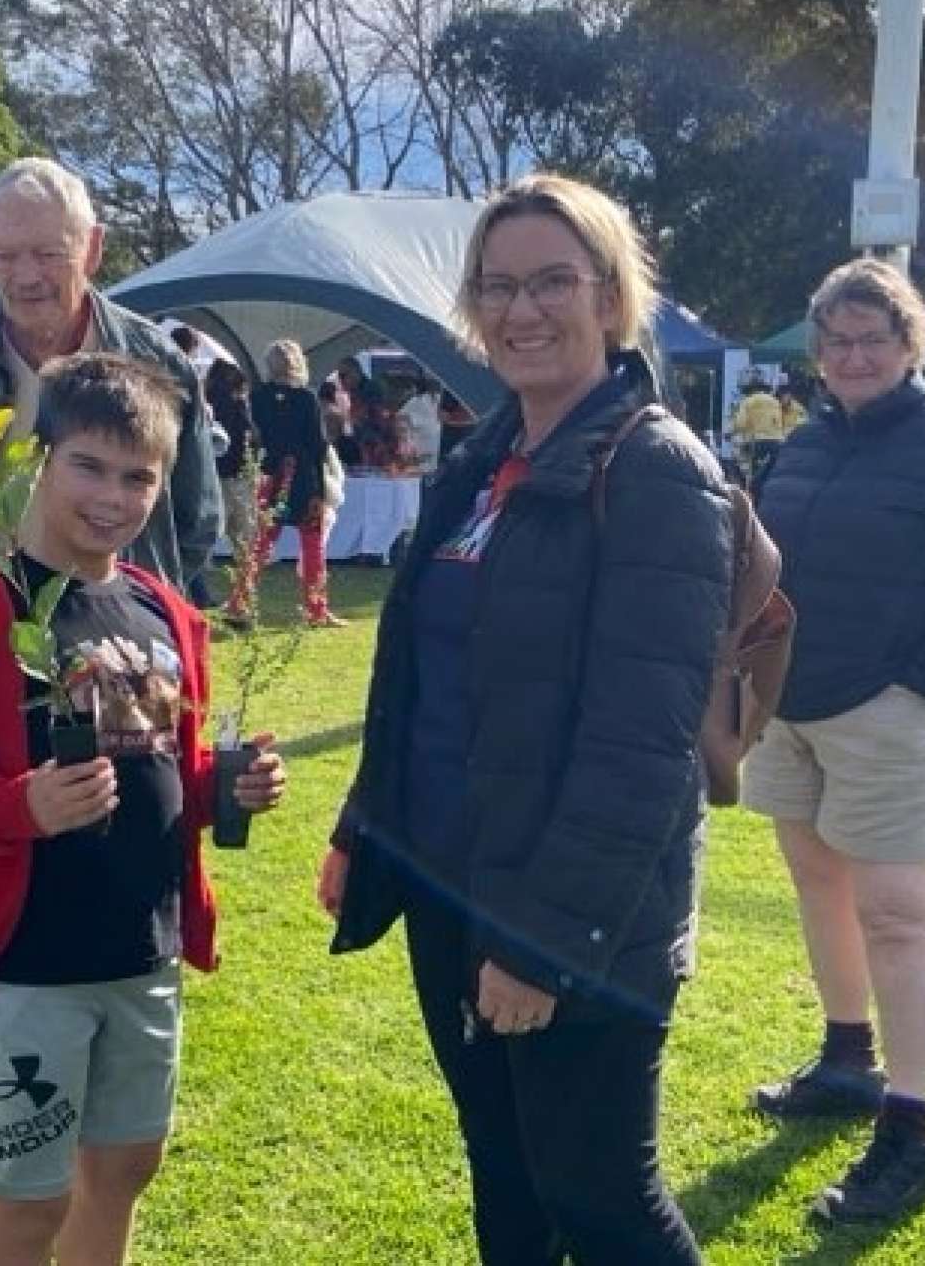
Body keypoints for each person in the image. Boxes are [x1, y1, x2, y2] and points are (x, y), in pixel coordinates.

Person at [319, 174, 735, 1264]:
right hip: (454, 886)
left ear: (610, 294)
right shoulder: (485, 455)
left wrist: (541, 948)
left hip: (574, 920)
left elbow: (640, 747)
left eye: (554, 280)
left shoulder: (654, 469)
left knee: (600, 1199)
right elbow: (425, 673)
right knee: (508, 1180)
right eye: (497, 286)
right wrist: (367, 823)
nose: (522, 309)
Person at [0, 353, 287, 1266]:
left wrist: (223, 787)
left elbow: (161, 762)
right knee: (27, 1199)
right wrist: (16, 806)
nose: (115, 494)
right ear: (39, 458)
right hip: (31, 963)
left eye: (140, 476)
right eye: (89, 465)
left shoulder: (168, 615)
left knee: (126, 1166)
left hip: (145, 952)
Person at [743, 259, 925, 1227]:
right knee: (816, 881)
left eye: (874, 338)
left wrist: (921, 690)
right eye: (838, 341)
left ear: (912, 345)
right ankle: (846, 1058)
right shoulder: (807, 442)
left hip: (894, 715)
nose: (854, 355)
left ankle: (908, 1133)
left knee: (899, 915)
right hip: (792, 707)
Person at [0, 157, 221, 590]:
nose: (26, 277)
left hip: (113, 625)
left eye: (49, 255)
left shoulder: (154, 358)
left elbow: (196, 518)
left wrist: (125, 597)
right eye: (5, 256)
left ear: (93, 249)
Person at [226, 340, 344, 629]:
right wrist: (320, 488)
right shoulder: (305, 399)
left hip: (269, 474)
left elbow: (253, 437)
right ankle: (316, 610)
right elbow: (317, 445)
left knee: (260, 544)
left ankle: (238, 602)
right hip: (303, 477)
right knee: (313, 544)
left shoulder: (258, 397)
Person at [203, 360, 260, 579]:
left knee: (211, 525)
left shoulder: (206, 401)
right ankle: (245, 575)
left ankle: (204, 568)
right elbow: (249, 433)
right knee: (243, 531)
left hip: (213, 470)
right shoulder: (238, 403)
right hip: (237, 471)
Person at [732, 373, 786, 492]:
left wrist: (731, 431)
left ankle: (753, 501)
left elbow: (740, 423)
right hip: (777, 443)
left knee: (754, 476)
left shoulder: (748, 401)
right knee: (771, 474)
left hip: (758, 443)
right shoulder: (774, 401)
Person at [436, 388, 477, 461]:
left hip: (470, 435)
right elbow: (443, 415)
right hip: (454, 435)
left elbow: (443, 415)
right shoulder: (453, 388)